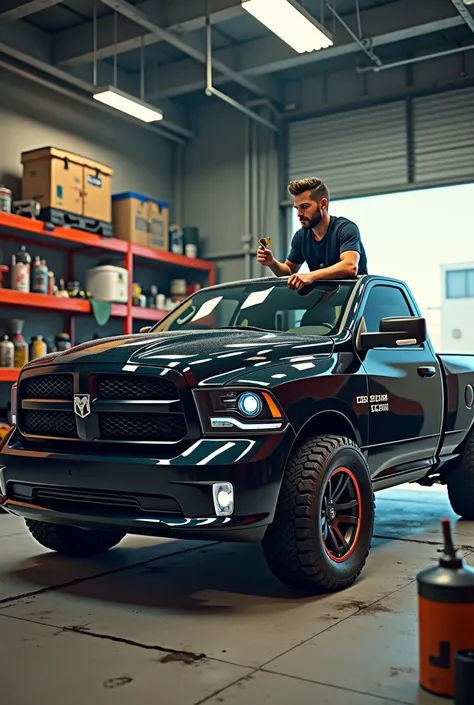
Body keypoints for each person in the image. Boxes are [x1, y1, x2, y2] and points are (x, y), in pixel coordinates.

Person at [257, 177, 368, 290]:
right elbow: (289, 271)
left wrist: (311, 276)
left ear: (323, 204)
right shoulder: (301, 237)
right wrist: (272, 263)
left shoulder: (345, 229)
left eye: (304, 207)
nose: (299, 214)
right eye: (297, 208)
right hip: (327, 302)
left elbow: (350, 266)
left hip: (354, 301)